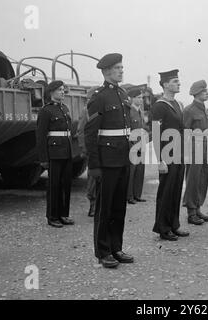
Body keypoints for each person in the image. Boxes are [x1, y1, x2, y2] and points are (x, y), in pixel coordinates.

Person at [84, 53, 134, 268]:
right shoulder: (99, 96)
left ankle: (116, 247)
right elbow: (90, 132)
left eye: (122, 67)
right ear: (106, 72)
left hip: (123, 158)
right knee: (105, 209)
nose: (122, 70)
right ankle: (103, 251)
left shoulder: (123, 94)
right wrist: (94, 165)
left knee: (119, 207)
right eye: (117, 68)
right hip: (107, 160)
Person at [151, 69, 189, 241]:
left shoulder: (178, 104)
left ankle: (174, 224)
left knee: (176, 190)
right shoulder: (160, 106)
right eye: (174, 81)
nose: (178, 83)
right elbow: (156, 134)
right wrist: (160, 160)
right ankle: (163, 228)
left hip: (179, 154)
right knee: (166, 191)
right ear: (165, 84)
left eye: (178, 80)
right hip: (167, 154)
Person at [36, 80, 75, 228]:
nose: (63, 92)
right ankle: (52, 216)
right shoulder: (46, 111)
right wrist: (43, 159)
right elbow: (40, 136)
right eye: (59, 90)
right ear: (51, 92)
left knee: (66, 184)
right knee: (54, 186)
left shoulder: (64, 108)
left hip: (66, 151)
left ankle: (63, 214)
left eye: (63, 89)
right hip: (54, 153)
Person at [182, 80, 208, 225]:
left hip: (205, 146)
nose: (207, 93)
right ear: (196, 93)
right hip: (194, 148)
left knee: (203, 178)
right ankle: (191, 212)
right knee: (193, 179)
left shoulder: (203, 109)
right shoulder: (189, 110)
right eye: (204, 91)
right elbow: (184, 132)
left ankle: (198, 207)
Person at [77, 86, 99, 217]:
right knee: (92, 179)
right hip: (92, 149)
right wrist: (84, 149)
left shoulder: (101, 111)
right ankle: (93, 204)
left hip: (102, 149)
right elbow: (81, 131)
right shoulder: (86, 111)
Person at [126, 86, 147, 204]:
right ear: (131, 98)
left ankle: (137, 194)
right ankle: (129, 196)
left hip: (141, 144)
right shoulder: (129, 111)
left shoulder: (140, 111)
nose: (141, 100)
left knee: (140, 171)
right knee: (131, 171)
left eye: (142, 97)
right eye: (138, 97)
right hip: (133, 145)